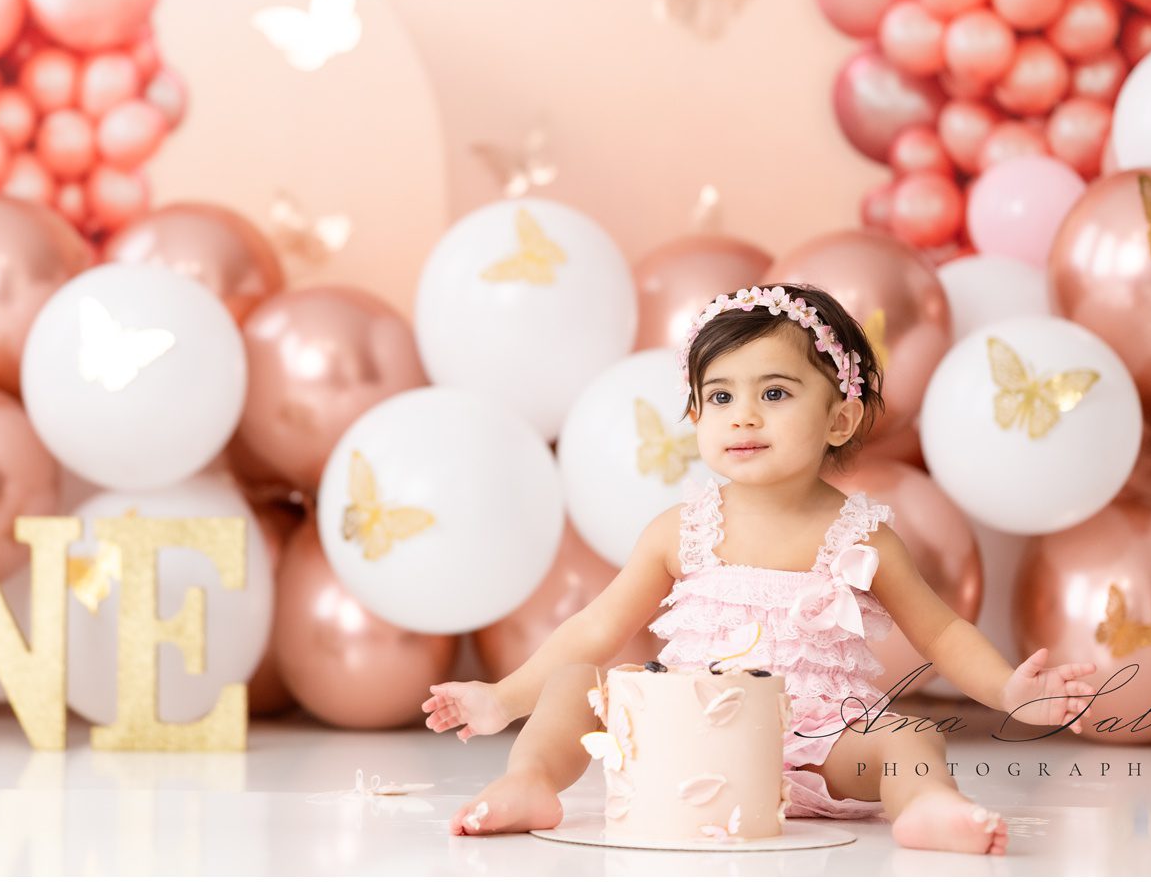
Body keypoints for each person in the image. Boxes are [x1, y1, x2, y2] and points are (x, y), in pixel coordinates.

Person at [421, 282, 1099, 854]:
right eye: (720, 398)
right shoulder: (681, 529)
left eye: (774, 394)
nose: (743, 415)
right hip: (690, 739)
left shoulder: (861, 536)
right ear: (695, 416)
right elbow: (596, 628)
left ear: (839, 419)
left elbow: (943, 634)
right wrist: (503, 697)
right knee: (577, 684)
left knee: (909, 736)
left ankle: (927, 807)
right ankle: (531, 781)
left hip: (822, 746)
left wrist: (1010, 691)